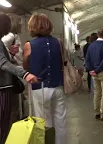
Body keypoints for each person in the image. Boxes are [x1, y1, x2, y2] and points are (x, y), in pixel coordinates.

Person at [23, 13, 66, 144]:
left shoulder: (29, 45)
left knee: (43, 121)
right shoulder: (58, 42)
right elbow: (61, 61)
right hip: (57, 86)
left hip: (39, 88)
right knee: (60, 120)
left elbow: (25, 66)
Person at [0, 13, 38, 144]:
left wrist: (10, 53)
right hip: (3, 87)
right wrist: (25, 74)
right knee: (3, 123)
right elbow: (3, 63)